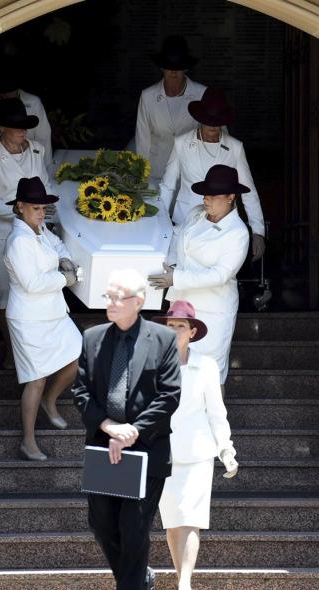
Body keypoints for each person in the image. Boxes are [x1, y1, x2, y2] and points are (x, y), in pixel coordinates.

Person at [73, 268, 181, 590]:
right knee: (103, 525)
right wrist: (108, 427)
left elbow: (169, 395)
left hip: (145, 450)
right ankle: (139, 578)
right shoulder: (93, 338)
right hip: (104, 448)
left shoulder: (161, 339)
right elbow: (81, 392)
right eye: (108, 296)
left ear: (138, 301)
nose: (111, 303)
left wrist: (132, 431)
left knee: (134, 531)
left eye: (118, 297)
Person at [152, 300, 238, 590]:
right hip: (161, 453)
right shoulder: (150, 365)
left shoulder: (207, 366)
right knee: (174, 523)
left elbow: (217, 412)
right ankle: (181, 578)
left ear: (191, 332)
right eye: (170, 326)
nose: (175, 331)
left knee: (191, 520)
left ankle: (185, 585)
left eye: (180, 327)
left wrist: (226, 449)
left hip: (198, 452)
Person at [148, 164, 250, 385]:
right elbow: (178, 240)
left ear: (231, 196)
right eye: (205, 193)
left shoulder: (238, 233)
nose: (206, 199)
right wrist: (168, 265)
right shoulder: (196, 213)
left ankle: (216, 420)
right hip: (182, 306)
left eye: (213, 195)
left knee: (210, 374)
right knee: (177, 370)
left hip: (213, 310)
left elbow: (220, 275)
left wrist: (176, 277)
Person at [4, 176, 82, 460]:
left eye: (43, 209)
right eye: (36, 208)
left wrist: (64, 261)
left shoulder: (38, 230)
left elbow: (58, 244)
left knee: (78, 355)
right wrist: (64, 278)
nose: (41, 213)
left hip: (53, 313)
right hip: (28, 318)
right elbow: (32, 284)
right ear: (20, 207)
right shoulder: (18, 241)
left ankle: (50, 401)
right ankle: (28, 440)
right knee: (35, 380)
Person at [0, 96, 56, 367]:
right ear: (0, 127)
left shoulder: (36, 150)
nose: (22, 129)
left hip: (33, 232)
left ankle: (32, 351)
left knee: (32, 288)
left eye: (24, 124)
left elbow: (44, 187)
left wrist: (38, 215)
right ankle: (13, 352)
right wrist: (19, 213)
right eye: (15, 125)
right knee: (4, 294)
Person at [159, 86, 265, 260]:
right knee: (180, 272)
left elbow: (249, 191)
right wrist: (160, 222)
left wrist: (258, 232)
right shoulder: (181, 143)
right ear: (200, 119)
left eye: (217, 122)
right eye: (208, 121)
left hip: (222, 225)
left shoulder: (235, 147)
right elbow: (168, 185)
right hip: (185, 219)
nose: (213, 127)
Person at [135, 35, 206, 181]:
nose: (173, 72)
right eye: (169, 67)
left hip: (192, 174)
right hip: (157, 173)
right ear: (161, 67)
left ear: (186, 68)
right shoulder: (148, 96)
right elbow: (143, 140)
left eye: (178, 67)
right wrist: (142, 175)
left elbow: (217, 136)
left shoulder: (202, 94)